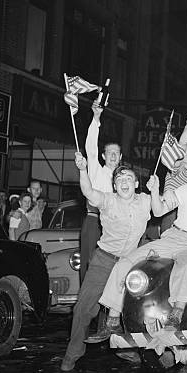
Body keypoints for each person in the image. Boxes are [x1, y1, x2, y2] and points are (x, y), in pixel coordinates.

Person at [87, 152, 187, 342]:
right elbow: (158, 211)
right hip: (172, 236)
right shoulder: (185, 190)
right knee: (127, 262)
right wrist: (155, 191)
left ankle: (175, 316)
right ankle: (112, 321)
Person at [60, 156, 154, 371]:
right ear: (114, 185)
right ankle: (72, 354)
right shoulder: (108, 200)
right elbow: (88, 192)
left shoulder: (145, 201)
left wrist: (155, 188)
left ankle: (127, 349)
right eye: (119, 178)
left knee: (135, 310)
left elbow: (166, 202)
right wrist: (83, 170)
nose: (124, 182)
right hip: (104, 260)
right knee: (83, 308)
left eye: (129, 178)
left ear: (136, 184)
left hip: (130, 263)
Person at [79, 100, 123, 282]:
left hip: (115, 226)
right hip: (94, 222)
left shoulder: (125, 180)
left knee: (114, 268)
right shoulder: (96, 171)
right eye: (109, 152)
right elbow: (90, 149)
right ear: (104, 156)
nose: (113, 156)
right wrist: (96, 118)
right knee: (90, 264)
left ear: (120, 157)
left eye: (116, 153)